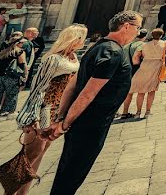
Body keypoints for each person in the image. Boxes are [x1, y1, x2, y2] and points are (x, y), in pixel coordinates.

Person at [43, 10, 141, 195]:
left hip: (83, 122)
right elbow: (87, 94)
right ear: (126, 26)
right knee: (72, 175)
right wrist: (63, 125)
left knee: (68, 172)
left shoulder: (98, 47)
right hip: (91, 124)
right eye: (138, 27)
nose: (138, 31)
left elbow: (72, 85)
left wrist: (61, 117)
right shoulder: (112, 52)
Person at [12, 24, 87, 195]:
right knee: (31, 153)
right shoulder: (52, 59)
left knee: (41, 152)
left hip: (57, 110)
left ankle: (23, 192)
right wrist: (33, 116)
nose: (83, 42)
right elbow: (38, 87)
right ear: (74, 39)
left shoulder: (74, 57)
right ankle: (12, 192)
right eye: (82, 38)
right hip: (43, 109)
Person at [120, 28, 166, 119]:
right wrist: (165, 55)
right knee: (151, 90)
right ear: (161, 36)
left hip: (145, 65)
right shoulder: (164, 43)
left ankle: (138, 112)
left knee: (141, 91)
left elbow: (136, 57)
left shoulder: (145, 45)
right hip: (156, 65)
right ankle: (147, 112)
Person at [0, 32, 28, 122]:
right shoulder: (19, 52)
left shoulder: (1, 53)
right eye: (21, 42)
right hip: (11, 76)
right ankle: (10, 113)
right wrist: (25, 76)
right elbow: (23, 65)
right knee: (12, 94)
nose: (23, 44)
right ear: (18, 43)